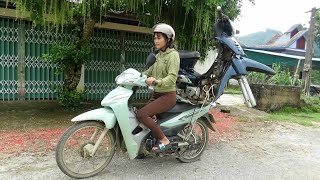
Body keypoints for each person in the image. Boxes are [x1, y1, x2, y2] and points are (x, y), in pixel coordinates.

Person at [136, 23, 180, 152]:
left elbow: (172, 78)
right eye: (155, 38)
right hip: (156, 95)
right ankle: (145, 144)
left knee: (142, 114)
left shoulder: (173, 55)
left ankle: (164, 140)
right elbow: (148, 71)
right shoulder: (158, 55)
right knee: (137, 113)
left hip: (167, 96)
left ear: (168, 39)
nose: (156, 40)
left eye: (159, 37)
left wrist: (156, 82)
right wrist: (136, 76)